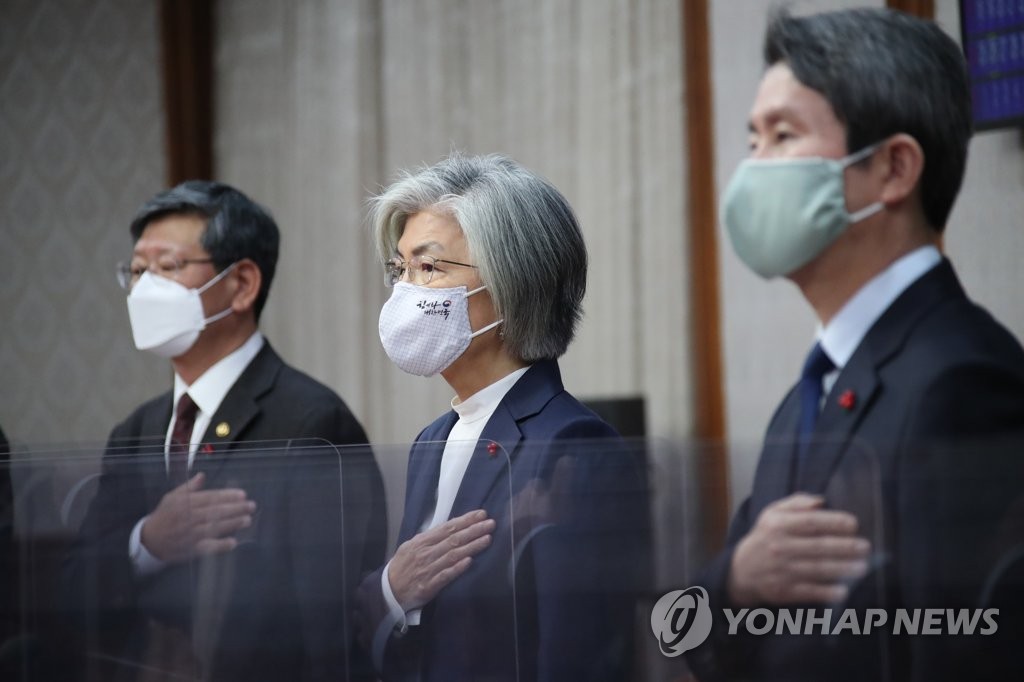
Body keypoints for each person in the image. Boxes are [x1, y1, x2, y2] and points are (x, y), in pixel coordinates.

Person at [687, 8, 1024, 682]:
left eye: (783, 135)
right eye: (753, 140)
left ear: (894, 169)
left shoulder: (963, 383)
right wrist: (737, 583)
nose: (753, 168)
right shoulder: (803, 399)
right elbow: (700, 643)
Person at [64, 181, 387, 681]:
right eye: (136, 271)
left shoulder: (311, 422)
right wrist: (147, 543)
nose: (145, 288)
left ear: (241, 285)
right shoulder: (138, 429)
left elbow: (329, 627)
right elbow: (73, 588)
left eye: (167, 267)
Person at [355, 153, 650, 681]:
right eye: (400, 269)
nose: (404, 291)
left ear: (513, 282)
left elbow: (577, 658)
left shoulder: (574, 447)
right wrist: (391, 592)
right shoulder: (432, 441)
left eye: (429, 267)